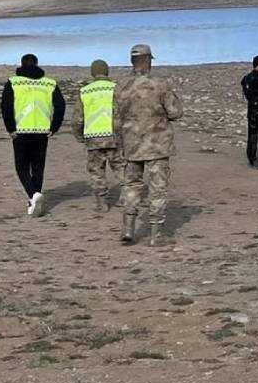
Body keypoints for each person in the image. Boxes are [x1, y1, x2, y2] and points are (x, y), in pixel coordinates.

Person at [115, 43, 183, 245]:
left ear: (132, 61)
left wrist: (120, 143)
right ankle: (156, 234)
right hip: (157, 145)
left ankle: (128, 227)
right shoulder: (160, 84)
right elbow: (175, 112)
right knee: (157, 188)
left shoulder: (121, 87)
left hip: (131, 145)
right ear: (148, 61)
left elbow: (115, 119)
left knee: (131, 186)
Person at [0, 53, 65, 217]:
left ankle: (33, 195)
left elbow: (6, 106)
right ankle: (34, 200)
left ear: (21, 65)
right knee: (38, 167)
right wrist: (55, 126)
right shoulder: (49, 83)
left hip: (21, 131)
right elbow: (60, 105)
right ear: (37, 64)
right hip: (42, 131)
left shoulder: (14, 82)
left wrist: (10, 128)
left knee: (21, 167)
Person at [75, 59, 123, 212]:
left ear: (92, 73)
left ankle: (101, 202)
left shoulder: (85, 91)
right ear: (107, 72)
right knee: (121, 167)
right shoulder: (117, 89)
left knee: (96, 171)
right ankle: (126, 196)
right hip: (115, 136)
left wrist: (78, 135)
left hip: (93, 137)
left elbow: (78, 118)